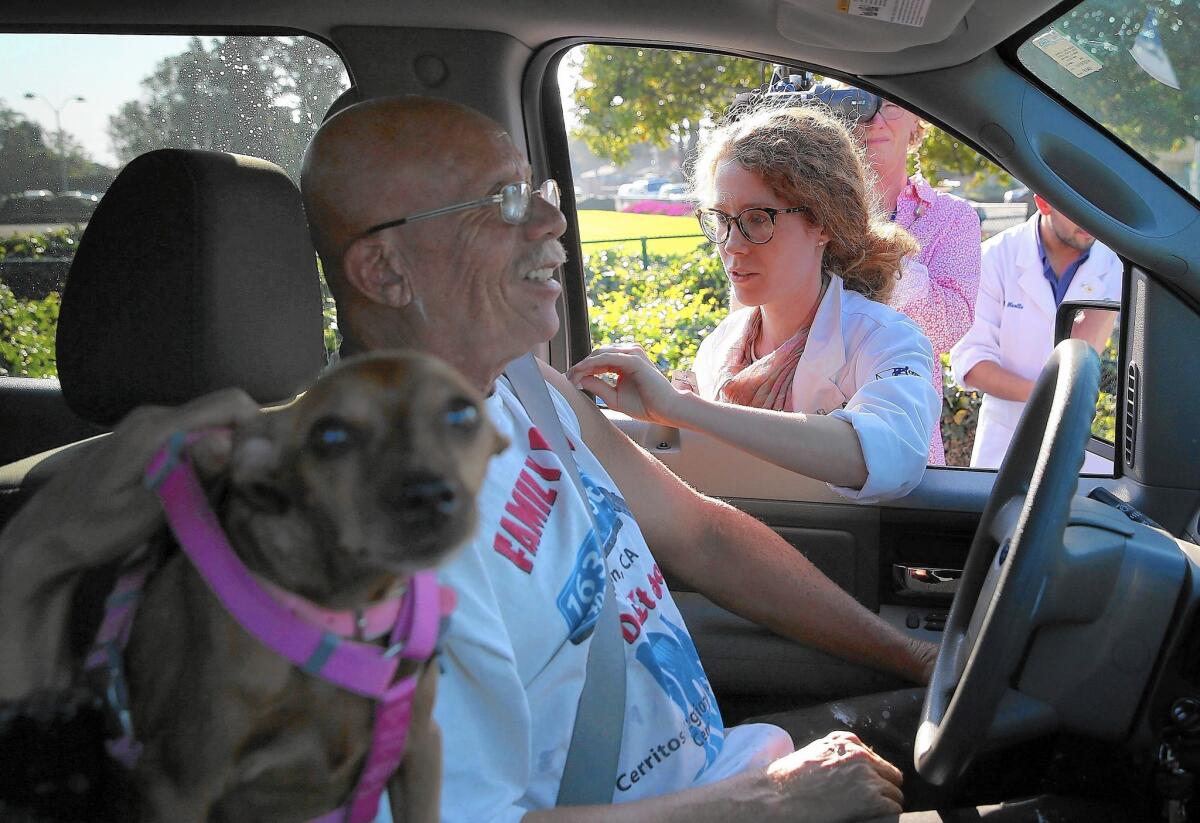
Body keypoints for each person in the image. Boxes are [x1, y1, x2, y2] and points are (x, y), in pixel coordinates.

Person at [1, 96, 932, 822]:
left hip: (722, 766)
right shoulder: (353, 535)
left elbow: (698, 534)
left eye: (542, 193)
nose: (552, 226)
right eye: (503, 203)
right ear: (386, 273)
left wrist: (914, 657)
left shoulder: (527, 385)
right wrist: (773, 804)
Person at [572, 106, 940, 503]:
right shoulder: (721, 346)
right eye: (722, 219)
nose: (732, 244)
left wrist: (682, 408)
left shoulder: (886, 339)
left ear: (823, 222)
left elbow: (891, 456)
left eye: (758, 219)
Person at [949, 193, 1121, 470]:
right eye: (1077, 207)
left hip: (1089, 451)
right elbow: (972, 363)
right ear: (1043, 203)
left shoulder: (1117, 265)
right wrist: (1053, 398)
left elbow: (1087, 354)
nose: (1090, 218)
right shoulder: (994, 257)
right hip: (1005, 443)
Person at [858, 96, 982, 466]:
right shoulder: (802, 212)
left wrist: (881, 258)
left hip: (903, 440)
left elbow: (948, 327)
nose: (876, 118)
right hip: (808, 428)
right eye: (860, 102)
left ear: (917, 121)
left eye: (892, 104)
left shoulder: (952, 218)